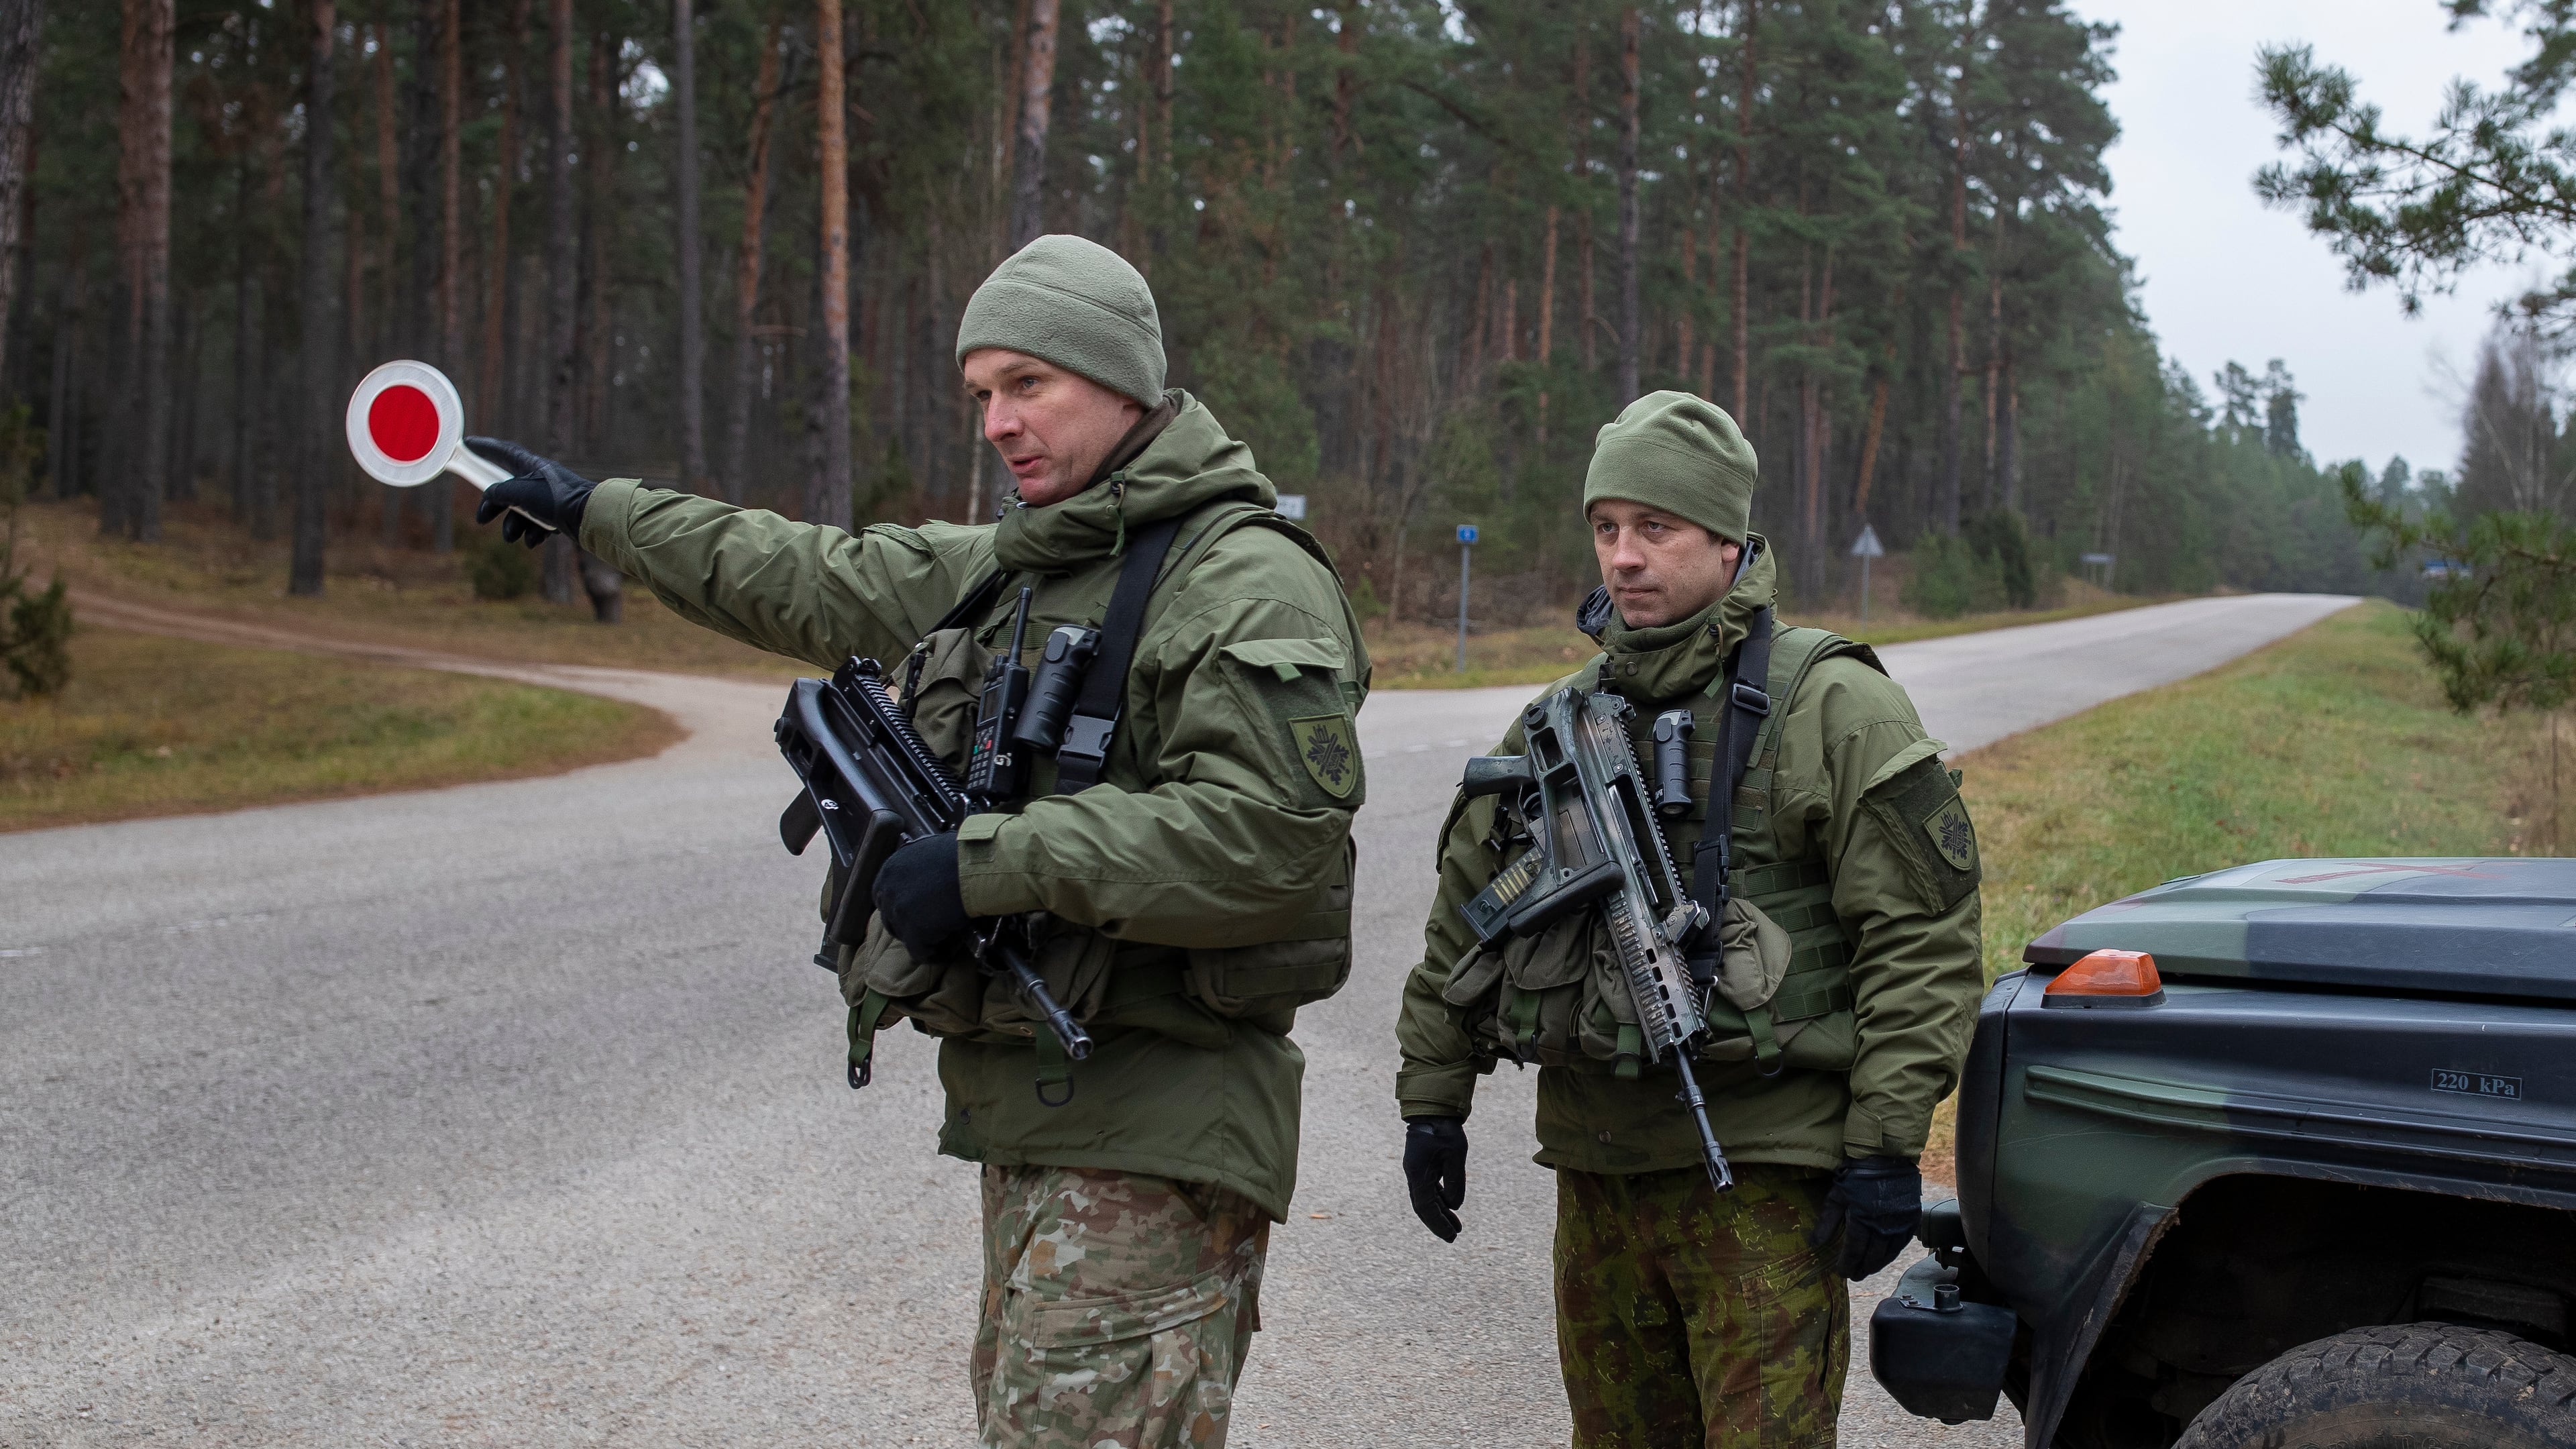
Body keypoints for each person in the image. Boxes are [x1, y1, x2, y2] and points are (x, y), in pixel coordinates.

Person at [466, 234, 1370, 1449]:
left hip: (1159, 1130)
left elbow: (1273, 836)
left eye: (1028, 384)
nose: (997, 422)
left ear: (1121, 384)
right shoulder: (1022, 568)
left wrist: (990, 864)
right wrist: (594, 510)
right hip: (1048, 1122)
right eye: (982, 393)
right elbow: (802, 572)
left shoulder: (1243, 583)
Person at [1393, 391, 1984, 1448]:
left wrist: (1887, 1145)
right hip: (1600, 1172)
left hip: (1759, 1180)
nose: (1623, 558)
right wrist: (1432, 1102)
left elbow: (1921, 941)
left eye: (1654, 529)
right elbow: (1463, 920)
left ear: (1727, 541)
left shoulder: (1831, 705)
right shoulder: (1559, 720)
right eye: (1607, 529)